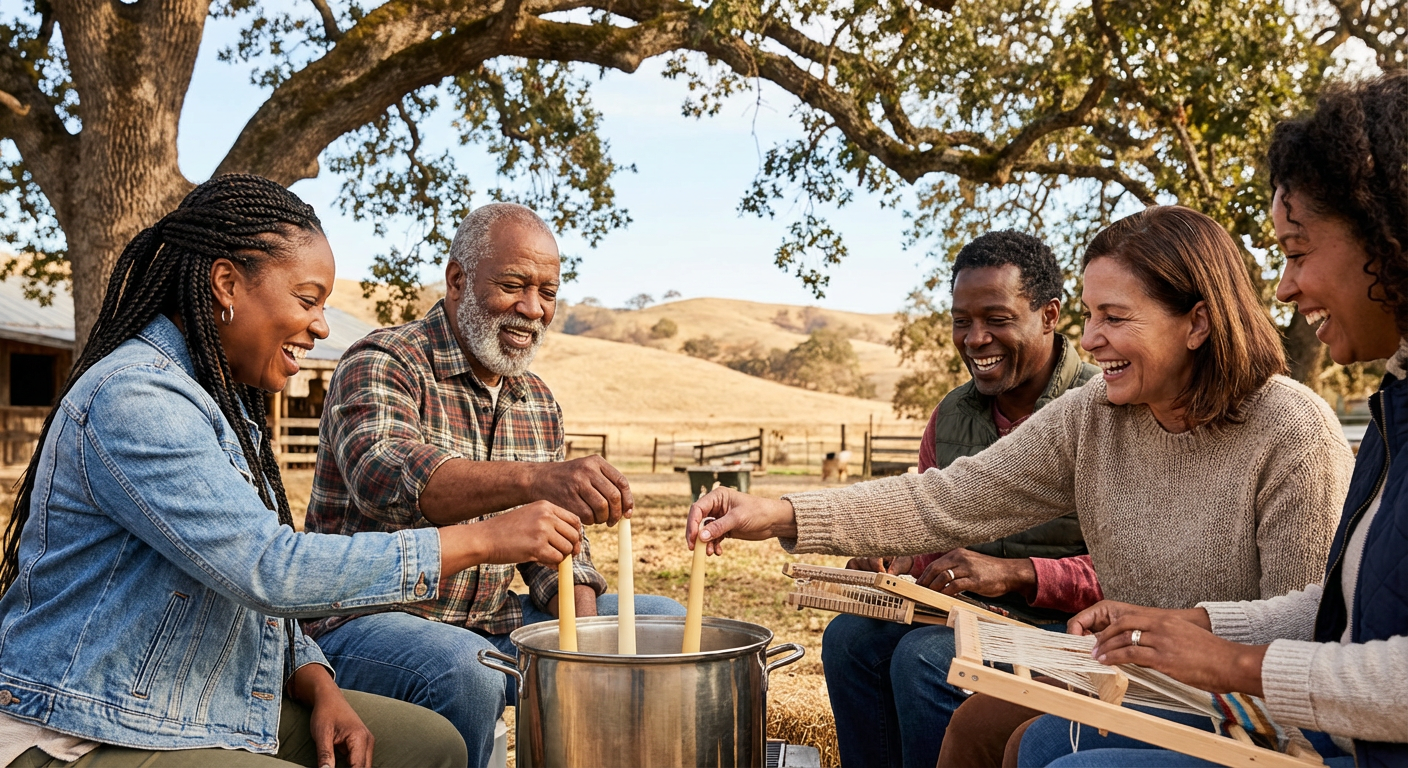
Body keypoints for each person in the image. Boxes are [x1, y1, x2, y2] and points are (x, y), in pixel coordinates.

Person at [685, 205, 1356, 768]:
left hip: (1241, 701)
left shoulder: (1293, 430)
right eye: (1090, 316)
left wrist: (1190, 640)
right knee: (974, 728)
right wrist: (773, 511)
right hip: (1127, 668)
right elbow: (946, 498)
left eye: (1114, 318)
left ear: (1198, 323)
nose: (1091, 340)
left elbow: (1304, 636)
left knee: (1035, 745)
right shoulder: (1095, 416)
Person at [0, 175, 589, 767]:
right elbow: (268, 567)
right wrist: (485, 537)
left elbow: (244, 600)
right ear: (226, 284)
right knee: (460, 677)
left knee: (431, 746)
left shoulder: (222, 404)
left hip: (207, 695)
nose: (323, 326)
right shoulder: (136, 398)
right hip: (88, 723)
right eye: (308, 300)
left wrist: (318, 685)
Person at [1014, 71, 1408, 768]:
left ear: (1386, 236)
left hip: (1331, 739)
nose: (1284, 287)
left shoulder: (1298, 427)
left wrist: (1236, 665)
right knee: (1035, 736)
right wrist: (1190, 626)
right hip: (1338, 733)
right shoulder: (1395, 406)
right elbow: (1340, 611)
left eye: (1296, 252)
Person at [302, 203, 684, 766]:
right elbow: (385, 475)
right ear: (457, 279)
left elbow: (559, 546)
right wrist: (538, 479)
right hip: (362, 624)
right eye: (513, 285)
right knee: (468, 669)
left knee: (665, 626)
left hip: (493, 624)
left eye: (548, 293)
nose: (533, 309)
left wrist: (583, 627)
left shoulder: (537, 400)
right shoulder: (384, 360)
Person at [824, 230, 1099, 767]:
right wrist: (901, 558)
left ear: (1049, 315)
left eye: (997, 320)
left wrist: (1018, 574)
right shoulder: (951, 414)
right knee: (849, 640)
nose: (975, 339)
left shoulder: (1102, 407)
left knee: (925, 659)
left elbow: (1141, 569)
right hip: (970, 614)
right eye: (961, 321)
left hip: (1070, 628)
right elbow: (935, 520)